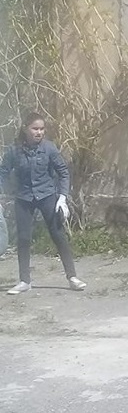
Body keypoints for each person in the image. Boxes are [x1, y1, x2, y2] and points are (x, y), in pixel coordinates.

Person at [0, 112, 86, 294]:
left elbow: (63, 172)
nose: (39, 132)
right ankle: (25, 281)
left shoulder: (49, 148)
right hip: (23, 197)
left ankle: (72, 277)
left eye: (41, 129)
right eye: (35, 129)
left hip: (47, 195)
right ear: (25, 129)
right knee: (23, 238)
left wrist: (62, 197)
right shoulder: (14, 151)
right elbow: (3, 172)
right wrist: (4, 193)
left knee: (58, 235)